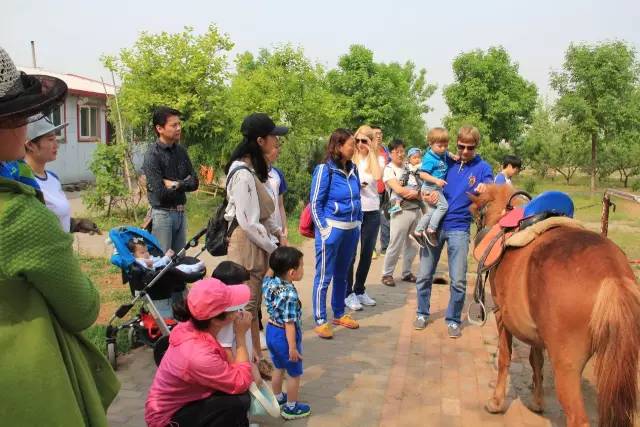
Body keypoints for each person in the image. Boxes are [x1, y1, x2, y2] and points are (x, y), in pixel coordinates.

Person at [0, 45, 119, 425]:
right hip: (26, 385)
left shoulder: (47, 181)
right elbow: (82, 308)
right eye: (18, 115)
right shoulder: (17, 212)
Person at [414, 126, 493, 337]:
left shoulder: (482, 167)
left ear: (476, 146)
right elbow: (424, 181)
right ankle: (422, 312)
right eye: (461, 146)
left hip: (459, 227)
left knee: (458, 280)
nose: (465, 151)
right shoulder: (445, 160)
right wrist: (425, 196)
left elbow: (489, 183)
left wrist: (486, 187)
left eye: (470, 147)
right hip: (435, 225)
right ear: (456, 144)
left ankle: (453, 319)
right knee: (424, 275)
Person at [145, 278, 254, 427]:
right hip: (167, 420)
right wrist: (241, 337)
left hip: (184, 402)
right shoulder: (197, 355)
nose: (238, 313)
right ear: (216, 319)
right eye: (234, 309)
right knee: (239, 401)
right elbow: (241, 381)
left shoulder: (191, 325)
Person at [225, 112, 287, 360]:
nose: (276, 142)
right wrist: (274, 248)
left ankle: (254, 359)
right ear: (260, 141)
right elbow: (248, 223)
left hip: (256, 242)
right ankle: (249, 362)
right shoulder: (241, 174)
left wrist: (277, 234)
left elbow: (263, 215)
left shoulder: (252, 169)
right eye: (273, 137)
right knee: (247, 308)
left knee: (253, 305)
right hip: (246, 243)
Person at [310, 128, 362, 339]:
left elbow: (358, 198)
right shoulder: (325, 170)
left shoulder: (354, 169)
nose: (355, 148)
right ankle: (320, 319)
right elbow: (315, 203)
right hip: (331, 230)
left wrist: (358, 223)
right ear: (339, 147)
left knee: (342, 276)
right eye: (351, 144)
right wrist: (324, 229)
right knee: (324, 276)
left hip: (351, 231)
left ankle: (339, 313)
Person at [263, 246, 311, 420]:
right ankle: (291, 407)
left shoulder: (270, 282)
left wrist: (276, 254)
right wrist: (292, 347)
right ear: (292, 272)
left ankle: (277, 397)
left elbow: (269, 272)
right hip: (285, 336)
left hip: (271, 331)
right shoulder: (289, 294)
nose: (303, 269)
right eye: (302, 266)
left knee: (278, 367)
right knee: (294, 373)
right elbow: (289, 324)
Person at [143, 106, 199, 253]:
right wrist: (184, 184)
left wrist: (175, 184)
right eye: (174, 125)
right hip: (162, 215)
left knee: (179, 261)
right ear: (160, 128)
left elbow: (195, 182)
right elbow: (160, 192)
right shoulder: (152, 155)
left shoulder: (181, 151)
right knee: (163, 262)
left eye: (179, 124)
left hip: (181, 214)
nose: (179, 128)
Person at [345, 125, 382, 311]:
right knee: (350, 254)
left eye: (363, 141)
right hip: (354, 210)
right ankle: (348, 293)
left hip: (372, 210)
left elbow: (377, 176)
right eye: (357, 140)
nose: (359, 144)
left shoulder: (377, 159)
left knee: (367, 253)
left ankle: (359, 289)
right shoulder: (350, 159)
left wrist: (372, 152)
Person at [380, 139, 421, 287]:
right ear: (390, 153)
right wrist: (416, 194)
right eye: (396, 151)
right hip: (400, 210)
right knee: (395, 243)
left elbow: (420, 184)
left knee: (414, 243)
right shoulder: (389, 169)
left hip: (416, 209)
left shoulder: (409, 167)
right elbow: (398, 189)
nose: (400, 154)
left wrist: (417, 194)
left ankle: (407, 272)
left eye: (402, 151)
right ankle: (387, 274)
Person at [413, 127, 456, 247]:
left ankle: (418, 231)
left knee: (431, 211)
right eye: (439, 146)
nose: (443, 148)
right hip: (431, 187)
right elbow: (422, 174)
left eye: (445, 145)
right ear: (430, 144)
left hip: (434, 188)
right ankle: (431, 230)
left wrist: (451, 155)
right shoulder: (429, 158)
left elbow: (447, 152)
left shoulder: (442, 153)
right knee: (443, 206)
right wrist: (436, 180)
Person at [128, 237, 205, 274]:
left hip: (163, 269)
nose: (146, 254)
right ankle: (194, 268)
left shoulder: (149, 257)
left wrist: (166, 256)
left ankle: (194, 267)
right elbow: (155, 265)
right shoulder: (138, 261)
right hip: (157, 274)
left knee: (181, 266)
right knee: (179, 269)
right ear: (133, 255)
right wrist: (166, 258)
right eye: (142, 252)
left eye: (147, 251)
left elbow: (158, 261)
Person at [387, 147, 423, 215]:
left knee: (421, 199)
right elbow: (405, 175)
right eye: (414, 158)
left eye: (419, 157)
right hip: (410, 185)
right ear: (409, 159)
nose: (417, 160)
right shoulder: (408, 167)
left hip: (418, 186)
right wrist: (402, 181)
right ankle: (397, 205)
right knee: (400, 192)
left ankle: (423, 211)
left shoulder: (422, 166)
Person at [372, 125, 390, 257]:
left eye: (380, 133)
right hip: (372, 190)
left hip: (385, 190)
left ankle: (385, 248)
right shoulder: (367, 150)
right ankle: (371, 249)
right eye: (376, 133)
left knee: (386, 219)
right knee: (372, 222)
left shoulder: (385, 150)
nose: (379, 135)